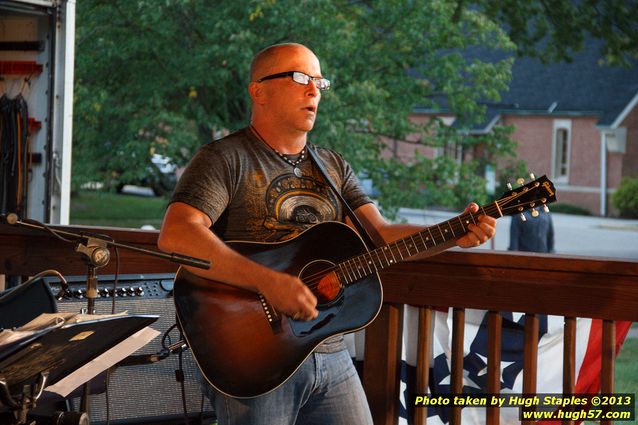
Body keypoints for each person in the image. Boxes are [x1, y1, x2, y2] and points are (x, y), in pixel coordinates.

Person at [158, 42, 497, 425]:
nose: (314, 90)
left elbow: (380, 235)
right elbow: (177, 234)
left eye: (319, 81)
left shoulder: (332, 166)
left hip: (329, 349)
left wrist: (453, 234)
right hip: (252, 358)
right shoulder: (226, 158)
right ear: (259, 91)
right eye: (300, 78)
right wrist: (269, 283)